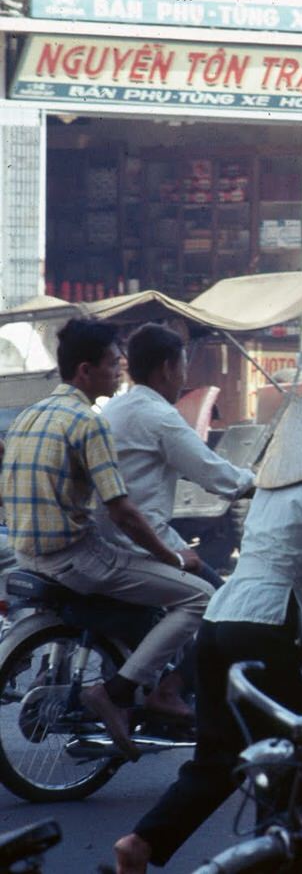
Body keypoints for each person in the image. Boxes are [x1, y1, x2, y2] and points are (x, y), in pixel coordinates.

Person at [113, 395, 302, 874]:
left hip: (220, 622)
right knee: (287, 763)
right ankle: (273, 863)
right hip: (264, 632)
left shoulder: (271, 491)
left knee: (217, 759)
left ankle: (142, 842)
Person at [0, 318, 212, 759]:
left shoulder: (28, 417)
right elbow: (124, 512)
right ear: (84, 371)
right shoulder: (87, 423)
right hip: (77, 558)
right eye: (114, 364)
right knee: (199, 596)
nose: (120, 372)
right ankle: (121, 690)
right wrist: (173, 558)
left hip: (27, 556)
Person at [94, 324, 255, 590]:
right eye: (182, 367)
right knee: (214, 597)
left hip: (110, 539)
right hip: (145, 543)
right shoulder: (160, 416)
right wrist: (256, 485)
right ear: (167, 369)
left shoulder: (117, 407)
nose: (184, 377)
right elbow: (210, 471)